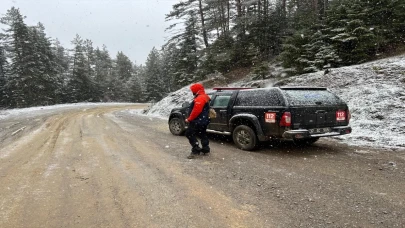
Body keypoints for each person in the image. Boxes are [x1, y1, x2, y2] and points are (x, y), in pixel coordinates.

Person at [185, 83, 211, 159]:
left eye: (192, 91)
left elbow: (197, 110)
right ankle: (206, 149)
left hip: (197, 120)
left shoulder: (200, 98)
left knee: (189, 133)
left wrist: (189, 119)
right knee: (202, 134)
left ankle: (196, 149)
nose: (192, 92)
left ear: (196, 90)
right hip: (204, 120)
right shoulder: (205, 96)